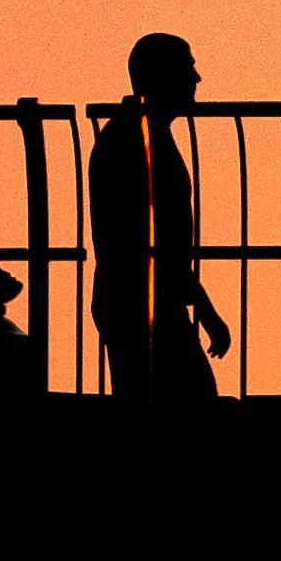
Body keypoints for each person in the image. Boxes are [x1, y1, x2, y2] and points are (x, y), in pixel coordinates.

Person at [84, 33, 232, 404]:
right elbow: (156, 244)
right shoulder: (139, 142)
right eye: (188, 67)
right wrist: (206, 310)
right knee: (189, 402)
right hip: (143, 305)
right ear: (162, 76)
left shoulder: (136, 134)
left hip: (135, 301)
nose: (196, 78)